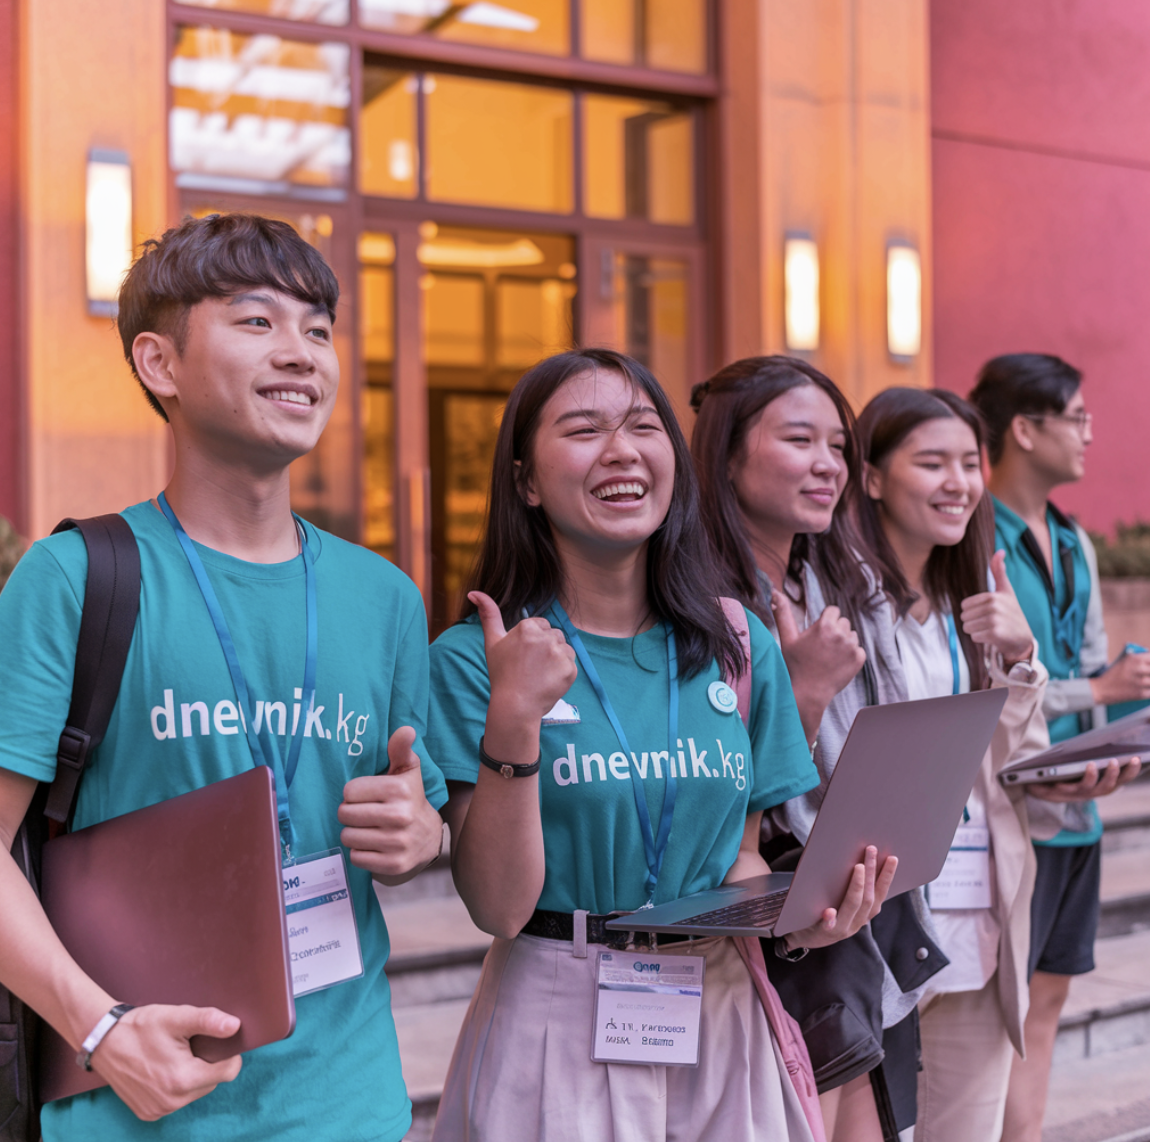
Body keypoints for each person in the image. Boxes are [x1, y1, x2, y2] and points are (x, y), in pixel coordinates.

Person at [0, 214, 448, 1141]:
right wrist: (100, 1029)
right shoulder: (78, 577)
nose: (300, 353)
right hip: (132, 1107)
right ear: (160, 364)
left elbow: (419, 816)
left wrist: (420, 829)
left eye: (318, 330)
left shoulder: (386, 598)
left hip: (348, 1103)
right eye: (256, 322)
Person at [425, 348, 897, 1142]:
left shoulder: (737, 644)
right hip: (557, 1009)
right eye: (584, 429)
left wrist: (804, 916)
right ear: (527, 483)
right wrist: (515, 714)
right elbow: (498, 906)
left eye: (644, 427)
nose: (622, 449)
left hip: (718, 1004)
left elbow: (740, 858)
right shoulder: (477, 658)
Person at [690, 356, 946, 1142]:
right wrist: (800, 694)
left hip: (862, 910)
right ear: (726, 455)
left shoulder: (849, 584)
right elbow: (702, 802)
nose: (828, 465)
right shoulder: (692, 601)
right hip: (765, 932)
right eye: (800, 440)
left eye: (838, 446)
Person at [968, 354, 1143, 1142]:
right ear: (1024, 429)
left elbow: (1087, 668)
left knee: (1049, 1002)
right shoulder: (971, 536)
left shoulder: (1074, 541)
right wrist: (1097, 692)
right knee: (996, 1018)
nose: (1088, 435)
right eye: (1076, 418)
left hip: (1081, 811)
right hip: (1012, 813)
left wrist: (1118, 708)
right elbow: (991, 680)